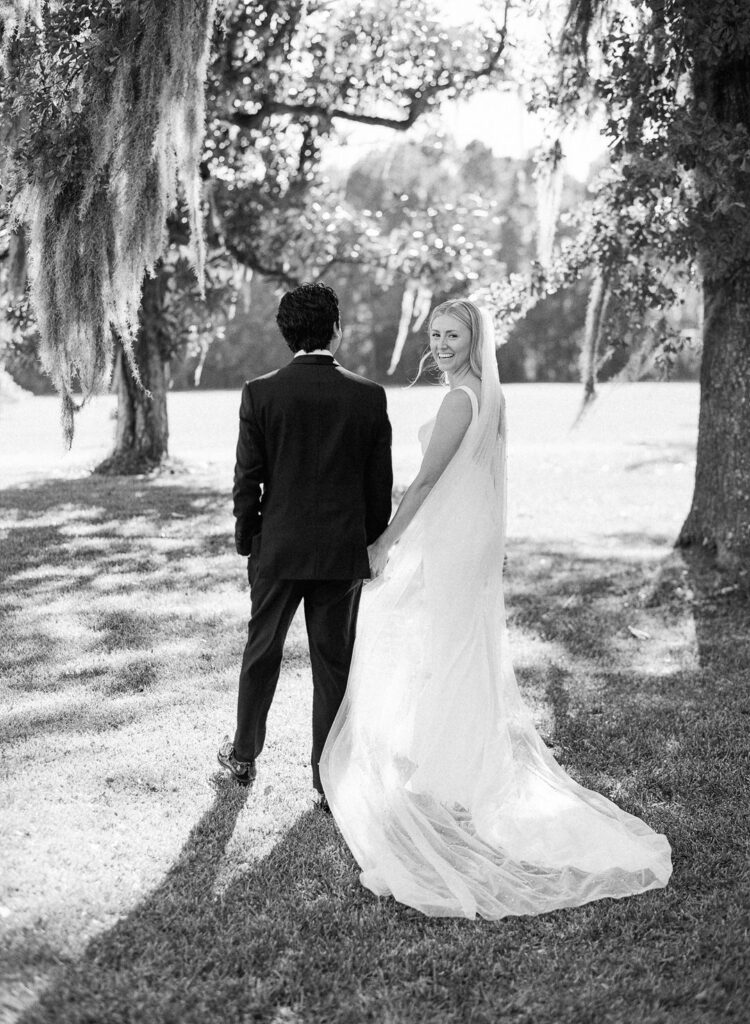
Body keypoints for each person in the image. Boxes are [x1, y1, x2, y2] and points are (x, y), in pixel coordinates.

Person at [320, 299, 672, 919]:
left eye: (453, 334)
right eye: (436, 333)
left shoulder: (461, 400)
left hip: (456, 538)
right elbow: (486, 477)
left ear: (474, 337)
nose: (443, 342)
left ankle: (451, 770)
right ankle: (449, 756)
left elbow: (426, 482)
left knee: (449, 645)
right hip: (471, 534)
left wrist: (383, 543)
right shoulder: (488, 394)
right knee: (457, 645)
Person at [218, 282, 393, 808]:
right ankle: (327, 779)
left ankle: (244, 756)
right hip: (341, 553)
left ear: (285, 332)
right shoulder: (368, 395)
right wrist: (365, 546)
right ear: (336, 329)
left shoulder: (261, 392)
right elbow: (376, 487)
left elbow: (247, 478)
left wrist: (249, 539)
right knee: (333, 663)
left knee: (262, 650)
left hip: (278, 549)